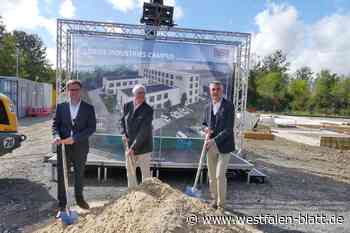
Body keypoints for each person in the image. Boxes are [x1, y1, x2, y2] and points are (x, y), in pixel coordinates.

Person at [52, 80, 96, 211]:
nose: (73, 92)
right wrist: (57, 136)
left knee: (79, 173)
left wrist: (75, 138)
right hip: (64, 147)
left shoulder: (89, 108)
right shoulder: (61, 107)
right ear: (67, 91)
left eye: (76, 89)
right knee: (62, 174)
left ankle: (79, 198)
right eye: (70, 90)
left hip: (81, 146)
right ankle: (62, 202)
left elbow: (91, 128)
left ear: (81, 91)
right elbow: (55, 126)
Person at [202, 80, 235, 212]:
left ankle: (221, 205)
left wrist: (214, 140)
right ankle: (214, 200)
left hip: (224, 146)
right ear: (210, 91)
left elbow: (228, 129)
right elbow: (204, 123)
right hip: (210, 146)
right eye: (213, 90)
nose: (215, 92)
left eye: (218, 89)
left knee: (219, 175)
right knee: (211, 176)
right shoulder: (207, 107)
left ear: (222, 91)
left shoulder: (229, 106)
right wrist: (205, 129)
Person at [120, 84, 153, 188]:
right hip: (128, 145)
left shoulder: (148, 109)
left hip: (143, 147)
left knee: (145, 174)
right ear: (133, 94)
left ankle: (146, 196)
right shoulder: (127, 105)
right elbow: (122, 121)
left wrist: (134, 147)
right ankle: (133, 194)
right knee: (130, 172)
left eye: (143, 93)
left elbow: (144, 131)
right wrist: (123, 133)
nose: (142, 95)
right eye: (139, 93)